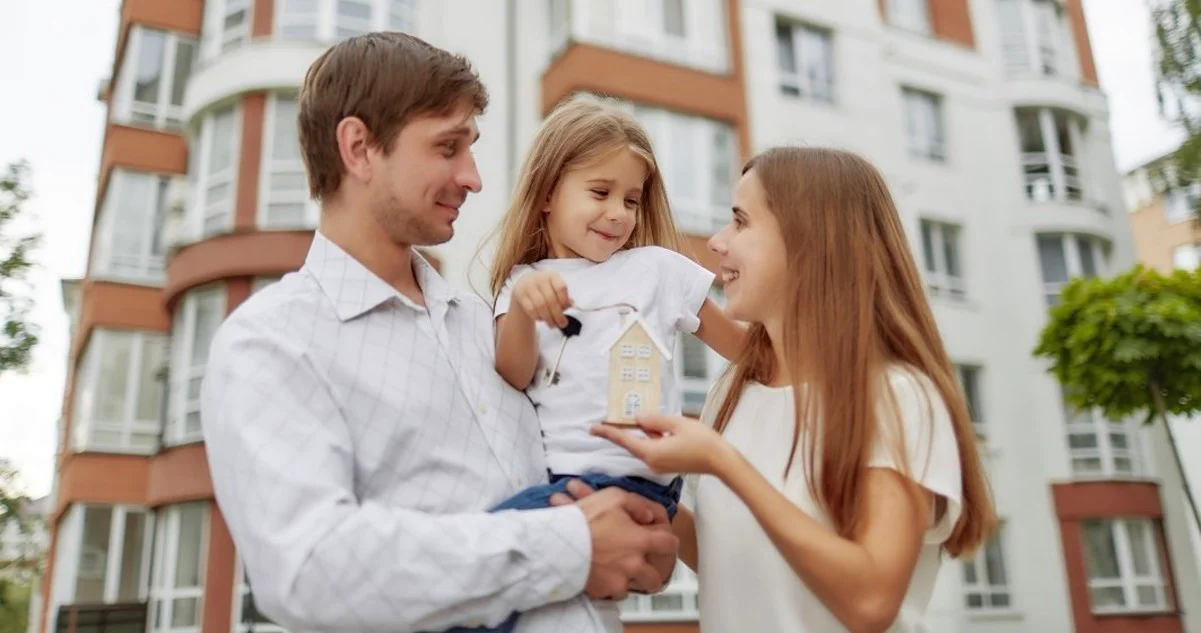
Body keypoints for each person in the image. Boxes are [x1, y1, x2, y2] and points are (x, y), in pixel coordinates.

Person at [199, 32, 679, 633]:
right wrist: (575, 547)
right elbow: (310, 569)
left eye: (470, 149)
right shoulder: (270, 343)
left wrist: (640, 542)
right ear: (359, 148)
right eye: (448, 147)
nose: (474, 178)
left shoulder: (492, 325)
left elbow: (580, 484)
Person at [591, 146, 999, 632]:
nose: (718, 242)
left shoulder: (896, 396)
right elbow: (729, 560)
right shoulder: (734, 390)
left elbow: (870, 603)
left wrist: (721, 461)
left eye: (741, 222)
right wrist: (625, 485)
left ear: (810, 241)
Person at [444, 98, 745, 633]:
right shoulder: (522, 281)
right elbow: (513, 374)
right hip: (567, 483)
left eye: (631, 199)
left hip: (633, 479)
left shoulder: (656, 270)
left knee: (477, 562)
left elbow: (743, 349)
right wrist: (523, 311)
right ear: (545, 196)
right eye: (600, 193)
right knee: (498, 589)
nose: (619, 214)